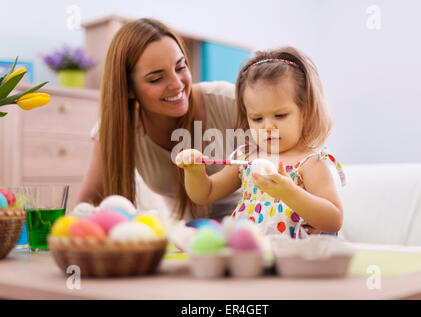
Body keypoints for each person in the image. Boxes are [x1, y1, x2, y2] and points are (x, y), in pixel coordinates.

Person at [77, 18, 241, 221]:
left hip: (254, 228)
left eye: (180, 67)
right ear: (128, 88)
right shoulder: (115, 130)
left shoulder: (229, 101)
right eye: (156, 78)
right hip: (191, 238)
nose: (176, 84)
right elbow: (85, 208)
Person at [175, 47, 346, 238]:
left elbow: (334, 220)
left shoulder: (310, 162)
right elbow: (205, 194)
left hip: (294, 259)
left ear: (305, 111)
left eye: (280, 115)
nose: (267, 127)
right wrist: (194, 171)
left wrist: (290, 193)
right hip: (251, 256)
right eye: (257, 119)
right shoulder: (247, 159)